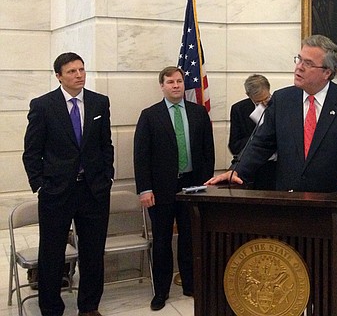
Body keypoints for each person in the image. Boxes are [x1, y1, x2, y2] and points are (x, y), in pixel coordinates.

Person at [207, 34, 337, 204]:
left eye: (308, 63)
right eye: (299, 59)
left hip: (335, 203)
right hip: (289, 202)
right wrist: (236, 170)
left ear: (327, 72)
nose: (299, 67)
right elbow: (260, 144)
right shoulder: (283, 99)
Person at [22, 52, 114, 316]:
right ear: (59, 76)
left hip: (93, 189)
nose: (79, 75)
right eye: (72, 71)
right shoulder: (43, 105)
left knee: (93, 252)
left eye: (82, 70)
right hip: (56, 191)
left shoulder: (99, 103)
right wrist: (40, 184)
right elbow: (31, 151)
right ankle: (51, 308)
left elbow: (105, 144)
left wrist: (107, 176)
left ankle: (89, 306)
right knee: (52, 253)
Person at [134, 66, 215, 311]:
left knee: (190, 238)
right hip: (160, 189)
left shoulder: (199, 113)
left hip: (192, 186)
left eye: (179, 81)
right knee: (162, 241)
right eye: (170, 82)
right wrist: (145, 189)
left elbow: (207, 152)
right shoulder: (150, 115)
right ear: (162, 86)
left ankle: (190, 284)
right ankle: (161, 291)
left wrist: (204, 183)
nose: (176, 85)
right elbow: (141, 156)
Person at [228, 74, 276, 190]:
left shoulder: (279, 104)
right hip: (251, 169)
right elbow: (234, 145)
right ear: (249, 95)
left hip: (275, 168)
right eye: (259, 101)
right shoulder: (239, 109)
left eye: (267, 98)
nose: (264, 103)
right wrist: (257, 139)